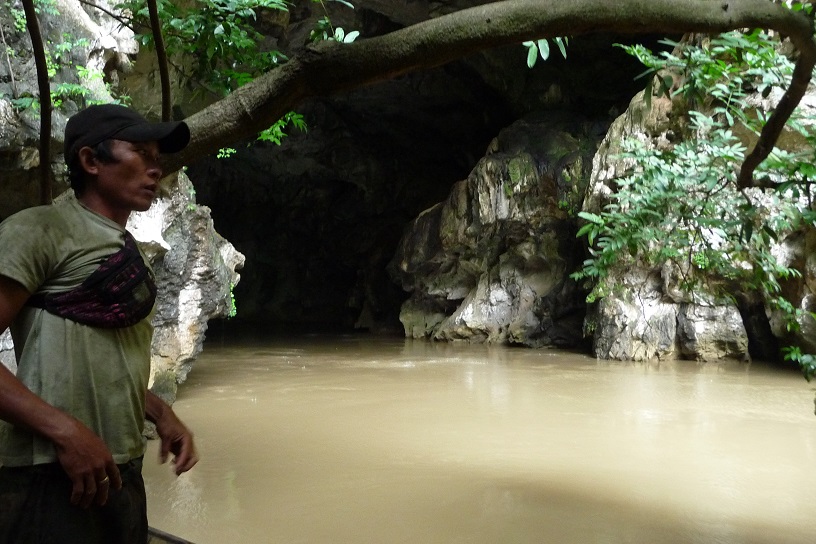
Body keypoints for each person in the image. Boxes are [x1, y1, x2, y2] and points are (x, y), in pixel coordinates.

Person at [0, 104, 198, 544]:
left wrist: (160, 411)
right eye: (141, 153)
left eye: (157, 157)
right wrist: (67, 433)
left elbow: (103, 356)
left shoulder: (122, 247)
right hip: (49, 474)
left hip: (119, 469)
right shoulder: (41, 230)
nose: (155, 168)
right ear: (91, 161)